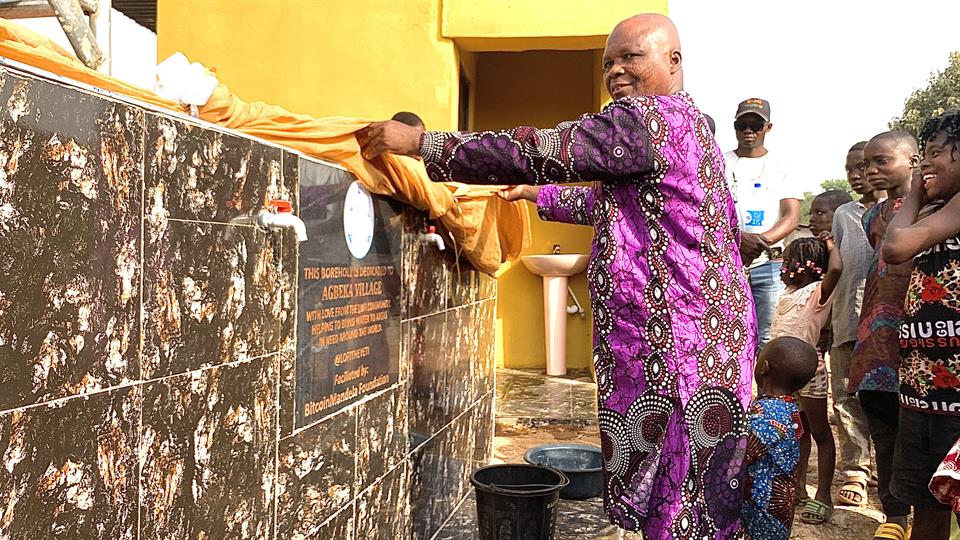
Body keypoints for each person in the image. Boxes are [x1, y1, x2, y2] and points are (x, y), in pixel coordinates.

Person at [359, 13, 757, 540]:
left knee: (682, 487)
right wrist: (536, 197)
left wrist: (423, 144)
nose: (615, 71)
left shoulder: (646, 121)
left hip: (680, 345)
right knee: (698, 483)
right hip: (711, 337)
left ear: (673, 61)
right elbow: (623, 205)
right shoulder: (694, 129)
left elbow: (538, 149)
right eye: (608, 62)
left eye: (630, 58)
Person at [882, 110, 960, 540]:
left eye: (935, 154)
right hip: (924, 390)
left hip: (955, 396)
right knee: (926, 500)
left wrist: (912, 194)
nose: (924, 165)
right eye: (921, 155)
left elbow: (895, 246)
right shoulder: (935, 210)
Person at [848, 130, 923, 540]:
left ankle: (927, 512)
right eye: (866, 165)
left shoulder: (938, 206)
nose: (872, 170)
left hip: (918, 333)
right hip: (876, 335)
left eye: (882, 161)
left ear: (913, 159)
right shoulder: (871, 216)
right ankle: (894, 515)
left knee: (921, 426)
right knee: (881, 422)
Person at [767, 227, 843, 525]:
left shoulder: (817, 293)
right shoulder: (788, 293)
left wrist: (828, 243)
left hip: (809, 374)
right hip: (784, 377)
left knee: (820, 432)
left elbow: (836, 268)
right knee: (799, 432)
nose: (782, 269)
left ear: (808, 268)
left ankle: (823, 495)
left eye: (788, 263)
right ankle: (797, 488)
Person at [828, 141, 883, 508]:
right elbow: (837, 270)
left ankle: (884, 467)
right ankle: (855, 471)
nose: (855, 175)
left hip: (883, 325)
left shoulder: (900, 209)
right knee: (846, 398)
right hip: (847, 318)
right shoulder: (843, 214)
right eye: (850, 168)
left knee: (880, 398)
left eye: (862, 167)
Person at [724, 98, 802, 349]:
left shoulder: (782, 165)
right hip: (726, 261)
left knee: (768, 338)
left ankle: (769, 390)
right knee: (727, 336)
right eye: (742, 124)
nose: (749, 131)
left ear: (768, 127)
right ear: (734, 126)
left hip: (768, 265)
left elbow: (791, 216)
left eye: (756, 125)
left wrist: (758, 242)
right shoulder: (718, 162)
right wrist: (739, 239)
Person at [742, 336, 819, 540]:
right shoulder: (790, 409)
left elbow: (740, 457)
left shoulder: (766, 416)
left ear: (764, 367)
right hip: (779, 509)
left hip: (761, 510)